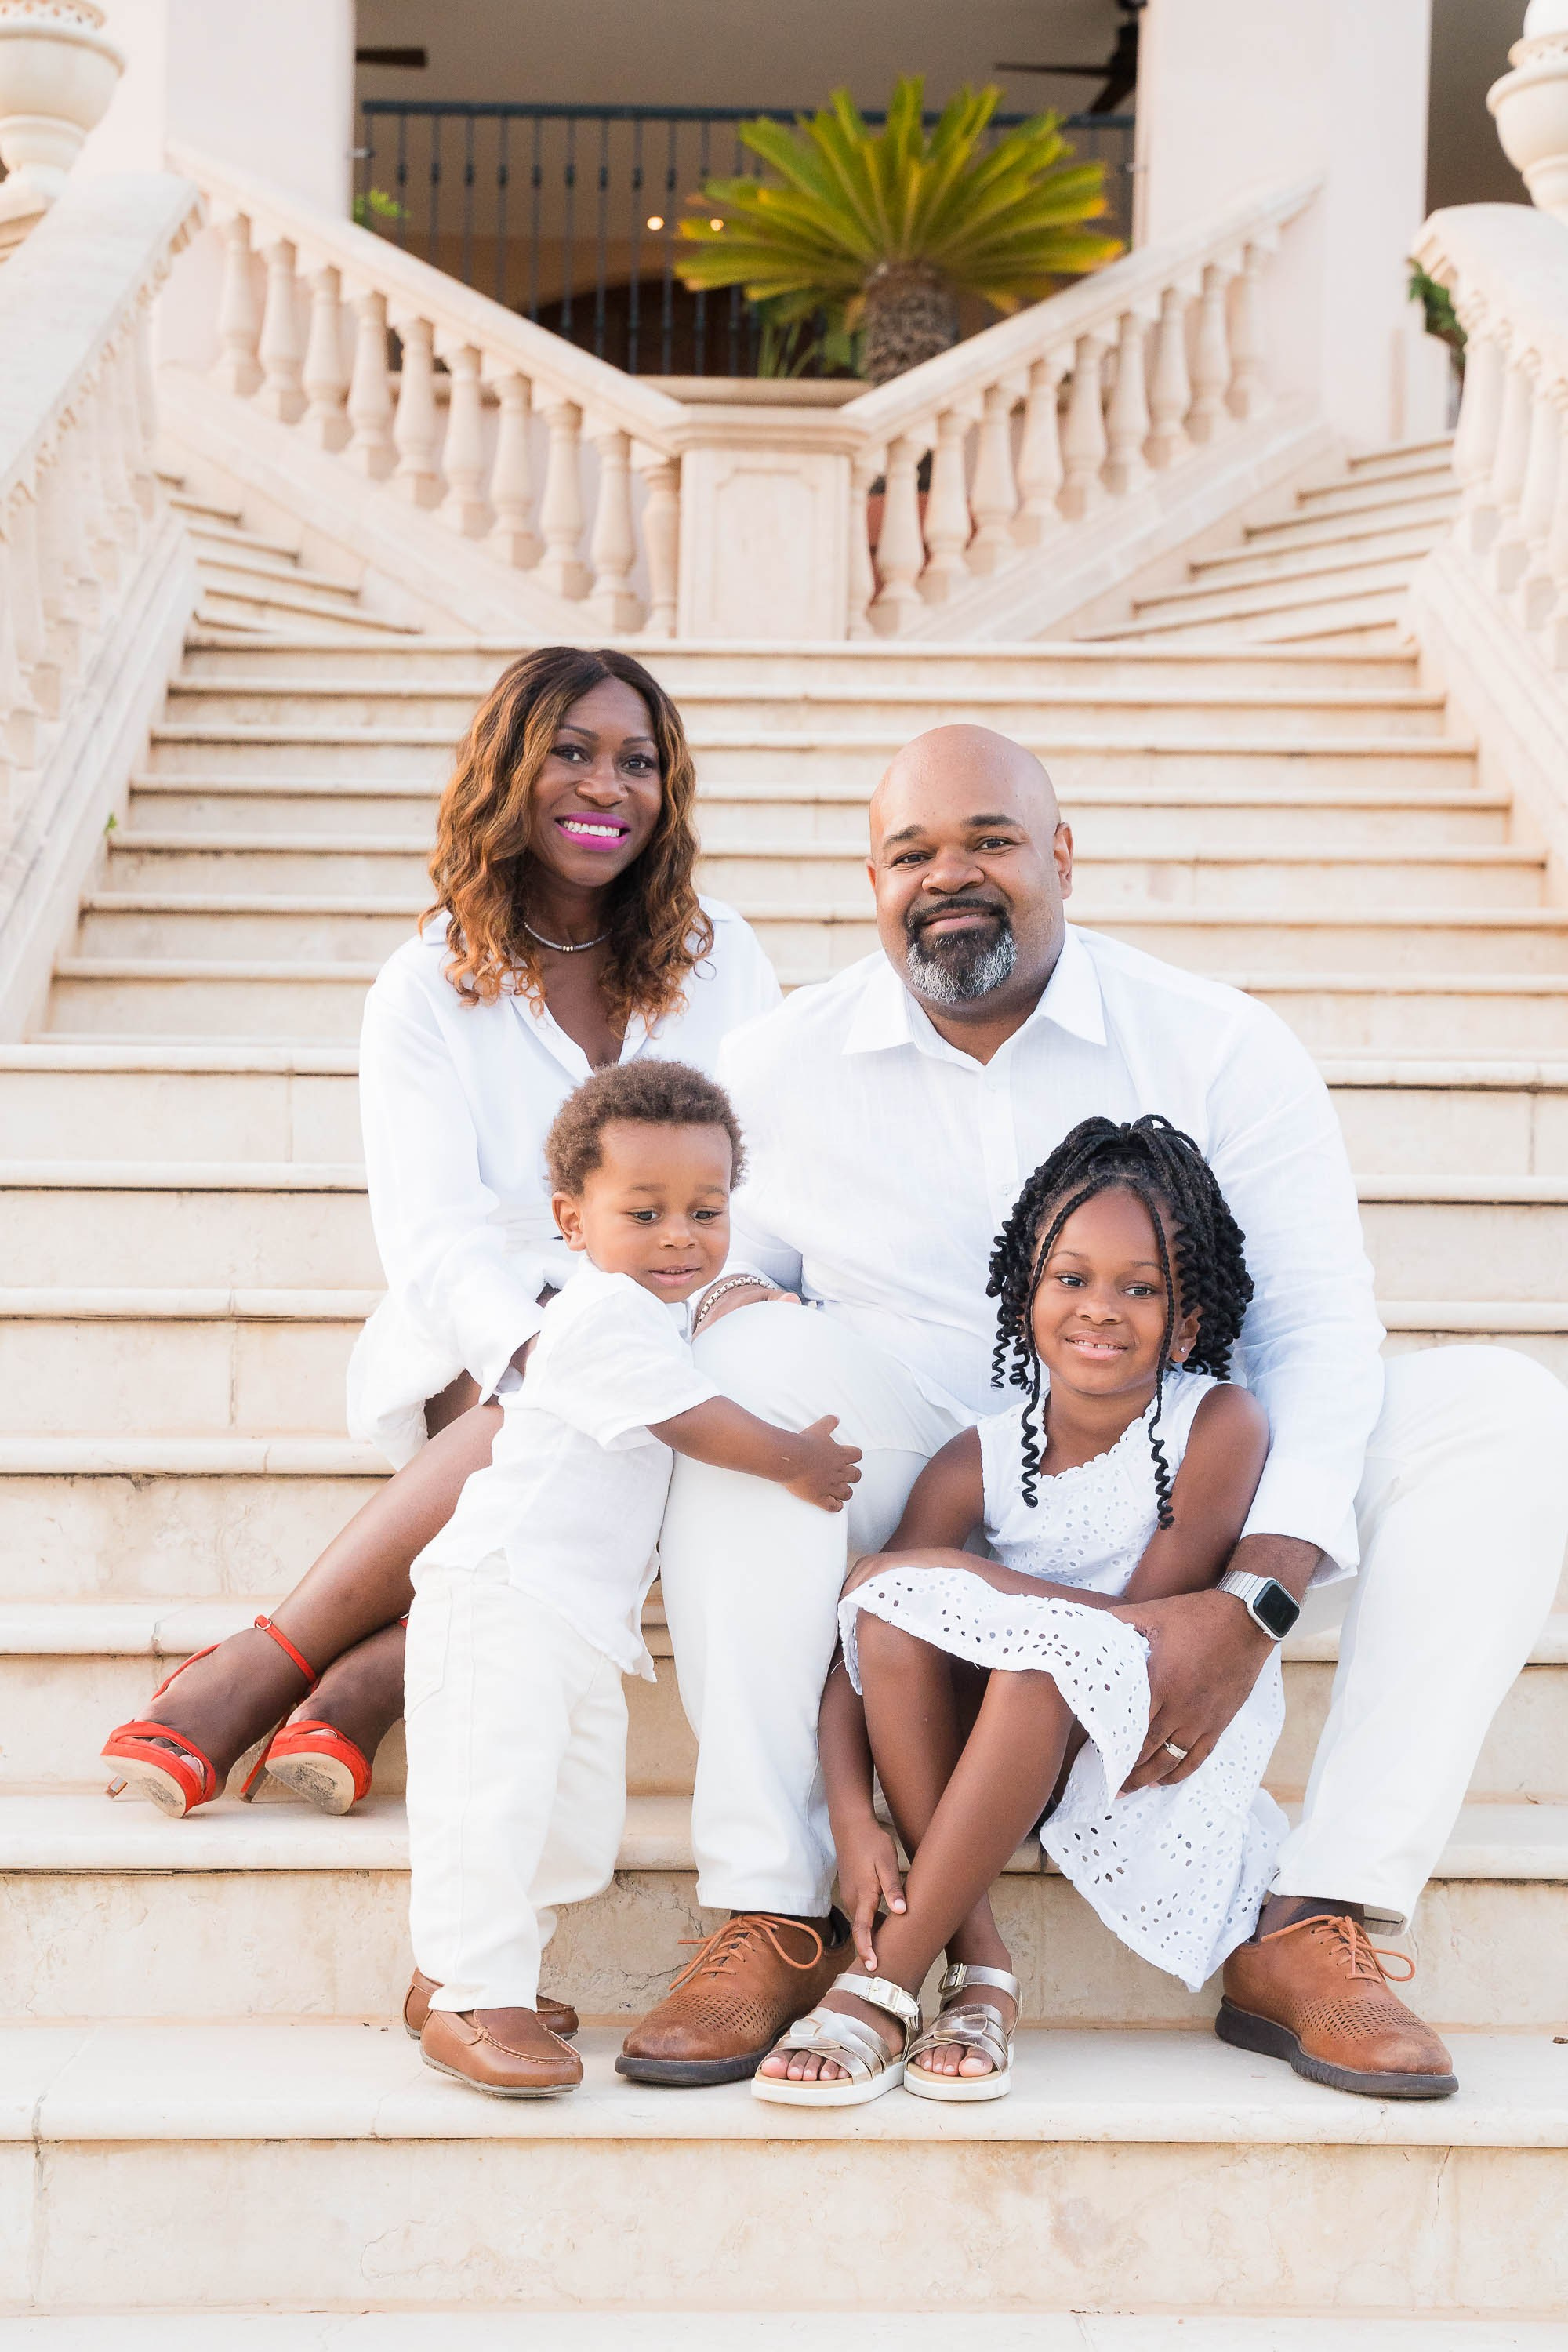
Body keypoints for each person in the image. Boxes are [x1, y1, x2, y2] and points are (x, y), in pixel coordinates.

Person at [619, 722, 1568, 2100]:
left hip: (1180, 1481)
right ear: (871, 880)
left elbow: (1315, 1327)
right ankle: (777, 1899)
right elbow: (699, 1270)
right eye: (912, 852)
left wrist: (1258, 1596)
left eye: (991, 841)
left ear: (1061, 854)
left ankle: (1316, 1916)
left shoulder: (1220, 1043)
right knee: (743, 1384)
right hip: (922, 1464)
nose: (951, 876)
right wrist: (734, 1308)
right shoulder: (777, 1064)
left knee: (1501, 1410)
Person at [101, 646, 779, 1832]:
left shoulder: (721, 956)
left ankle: (349, 1675)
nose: (606, 787)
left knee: (632, 1385)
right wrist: (542, 1347)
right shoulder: (425, 984)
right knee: (574, 1392)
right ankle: (294, 1667)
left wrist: (708, 1304)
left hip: (687, 1300)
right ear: (509, 772)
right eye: (571, 753)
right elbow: (431, 1236)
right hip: (485, 1331)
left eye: (637, 763)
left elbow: (766, 1167)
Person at [757, 1115, 1290, 2105]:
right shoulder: (978, 1456)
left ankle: (881, 1982)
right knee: (888, 1616)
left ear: (1183, 1324)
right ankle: (980, 1961)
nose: (1101, 1308)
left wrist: (980, 1589)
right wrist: (850, 1822)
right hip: (995, 1743)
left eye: (1141, 1289)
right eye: (1072, 1279)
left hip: (1148, 1728)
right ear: (1026, 1293)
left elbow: (1150, 1630)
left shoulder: (1218, 1422)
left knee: (1030, 1653)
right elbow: (857, 1648)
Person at [405, 1060, 858, 2098]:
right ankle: (477, 1998)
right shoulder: (598, 1311)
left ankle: (454, 1977)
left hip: (575, 1618)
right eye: (644, 1211)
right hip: (504, 1593)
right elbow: (690, 1420)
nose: (679, 1236)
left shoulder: (661, 1318)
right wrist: (795, 1458)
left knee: (568, 1820)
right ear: (572, 1218)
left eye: (706, 1210)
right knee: (494, 1795)